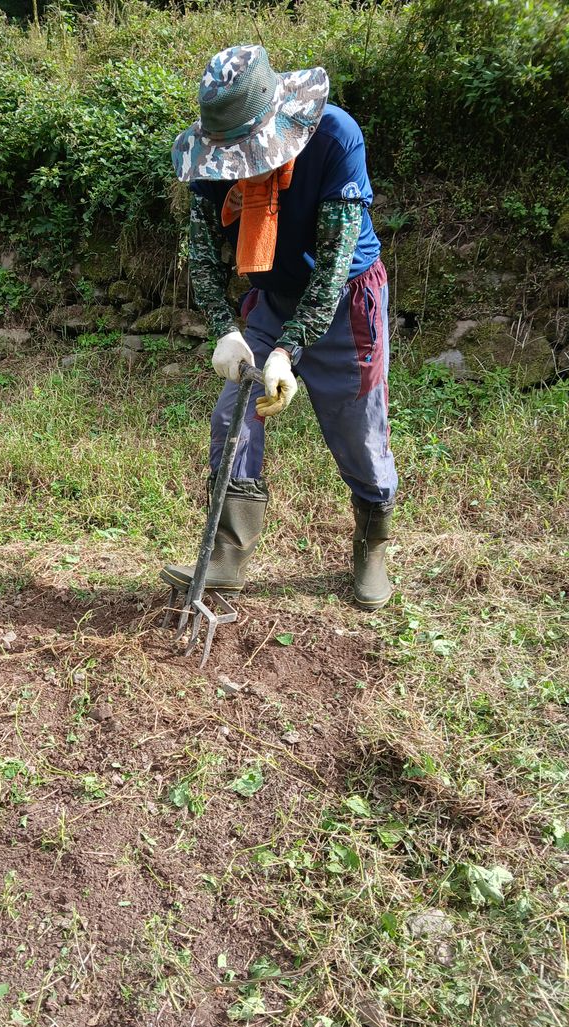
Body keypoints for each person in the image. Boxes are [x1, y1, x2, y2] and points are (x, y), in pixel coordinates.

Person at [161, 45, 399, 611]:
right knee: (232, 412)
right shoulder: (212, 161)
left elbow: (337, 257)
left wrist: (289, 349)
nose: (241, 164)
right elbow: (202, 250)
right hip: (271, 293)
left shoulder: (336, 137)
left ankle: (372, 544)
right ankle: (229, 551)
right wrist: (226, 328)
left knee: (357, 429)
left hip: (346, 297)